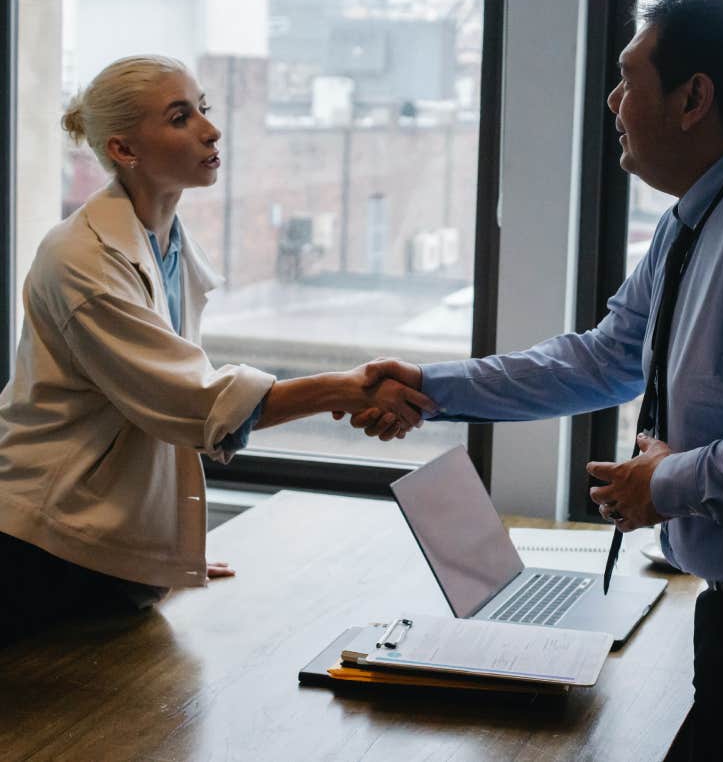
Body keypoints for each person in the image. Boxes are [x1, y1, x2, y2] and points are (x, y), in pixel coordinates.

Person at [346, 0, 723, 760]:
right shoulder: (703, 215)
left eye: (627, 79)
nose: (613, 102)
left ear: (693, 99)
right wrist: (430, 387)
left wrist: (669, 482)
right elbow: (605, 358)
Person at [0, 55, 434, 643]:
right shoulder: (83, 260)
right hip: (41, 544)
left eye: (203, 108)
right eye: (180, 117)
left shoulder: (165, 243)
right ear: (124, 149)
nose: (211, 130)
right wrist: (345, 389)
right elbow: (189, 402)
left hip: (97, 543)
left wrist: (163, 548)